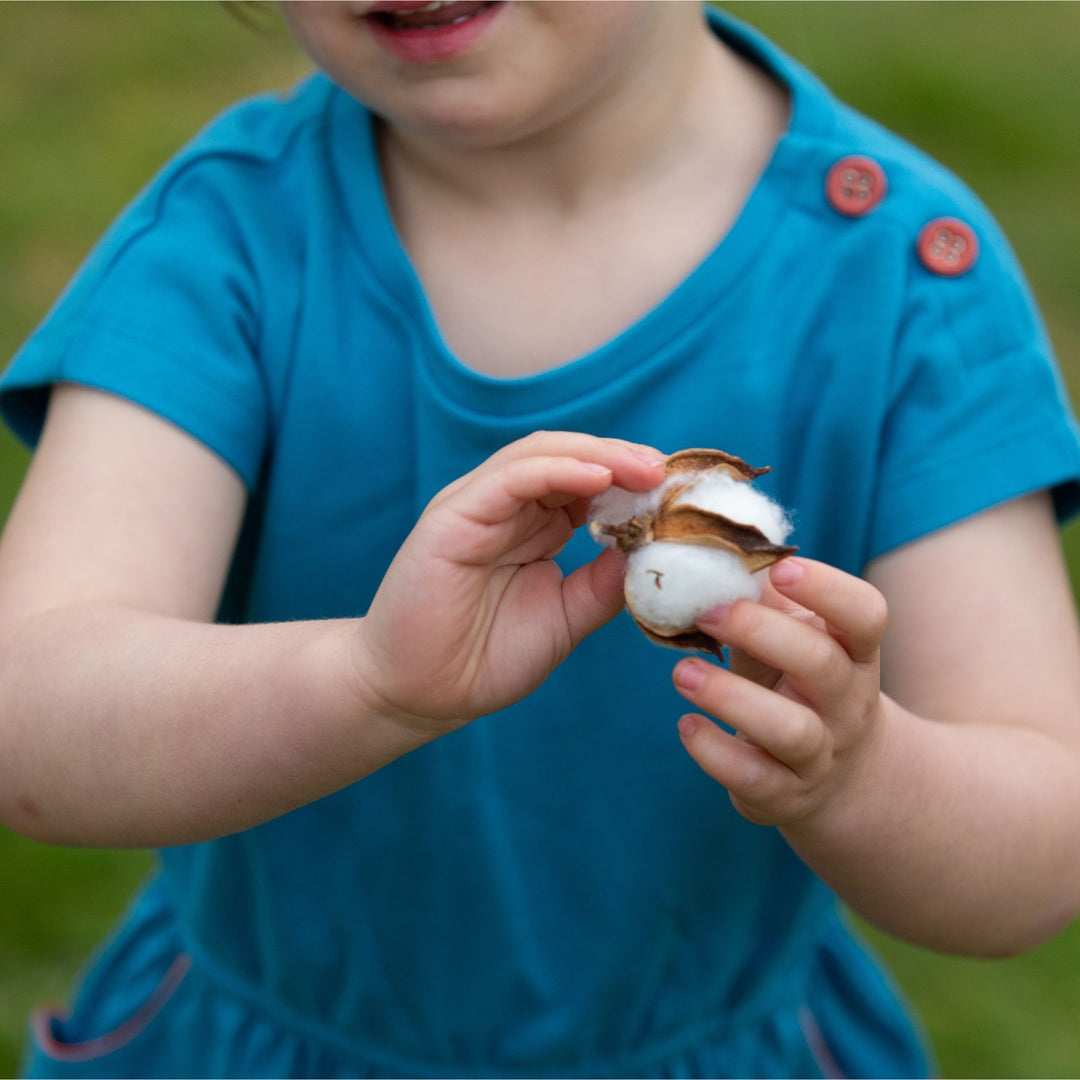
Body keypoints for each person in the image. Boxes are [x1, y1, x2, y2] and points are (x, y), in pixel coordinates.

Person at [2, 2, 1079, 1076]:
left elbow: (1041, 846)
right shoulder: (229, 236)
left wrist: (864, 780)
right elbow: (28, 711)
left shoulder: (899, 280)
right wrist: (363, 683)